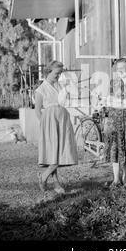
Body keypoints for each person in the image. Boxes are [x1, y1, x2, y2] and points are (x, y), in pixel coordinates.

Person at [34, 60, 78, 193]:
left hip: (62, 119)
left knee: (62, 150)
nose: (58, 76)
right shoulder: (41, 89)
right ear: (48, 71)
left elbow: (66, 98)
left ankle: (54, 182)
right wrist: (44, 125)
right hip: (50, 121)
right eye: (56, 73)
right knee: (54, 153)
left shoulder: (59, 86)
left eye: (60, 74)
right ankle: (46, 177)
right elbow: (37, 110)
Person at [101, 58, 126, 188]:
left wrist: (118, 104)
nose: (119, 71)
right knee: (114, 148)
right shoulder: (113, 83)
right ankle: (115, 179)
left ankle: (125, 177)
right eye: (117, 68)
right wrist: (124, 104)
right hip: (114, 120)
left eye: (122, 68)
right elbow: (108, 102)